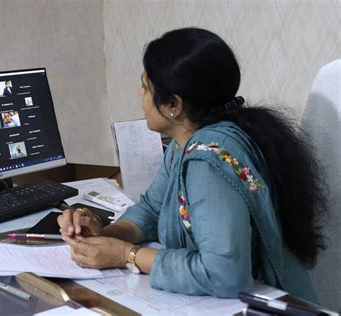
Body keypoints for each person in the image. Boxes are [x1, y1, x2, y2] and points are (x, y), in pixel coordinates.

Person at [57, 28, 327, 304]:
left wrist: (126, 255)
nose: (140, 95)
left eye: (146, 87)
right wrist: (105, 233)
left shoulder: (207, 162)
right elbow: (152, 208)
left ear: (174, 105)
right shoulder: (184, 143)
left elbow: (225, 274)